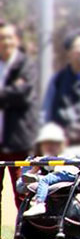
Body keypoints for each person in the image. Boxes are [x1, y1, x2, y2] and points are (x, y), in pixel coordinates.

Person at [0, 21, 39, 212]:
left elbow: (21, 95)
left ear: (16, 40)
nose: (5, 42)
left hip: (18, 143)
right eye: (1, 38)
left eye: (9, 37)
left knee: (23, 193)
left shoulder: (26, 65)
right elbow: (13, 93)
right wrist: (10, 91)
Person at [20, 123, 79, 218]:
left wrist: (43, 160)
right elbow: (19, 187)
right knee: (43, 179)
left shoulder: (67, 152)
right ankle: (34, 179)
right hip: (60, 173)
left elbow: (60, 161)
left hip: (68, 173)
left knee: (44, 180)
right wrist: (35, 168)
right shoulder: (38, 155)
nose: (51, 146)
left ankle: (39, 204)